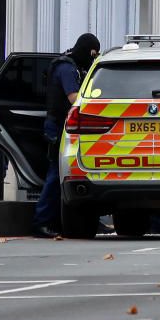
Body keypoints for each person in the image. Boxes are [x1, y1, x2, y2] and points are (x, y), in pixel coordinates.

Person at [32, 33, 101, 239]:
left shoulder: (70, 65)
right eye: (93, 54)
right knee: (57, 174)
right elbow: (74, 98)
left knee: (69, 173)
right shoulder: (67, 68)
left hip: (65, 125)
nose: (93, 57)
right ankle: (42, 221)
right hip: (59, 127)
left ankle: (58, 221)